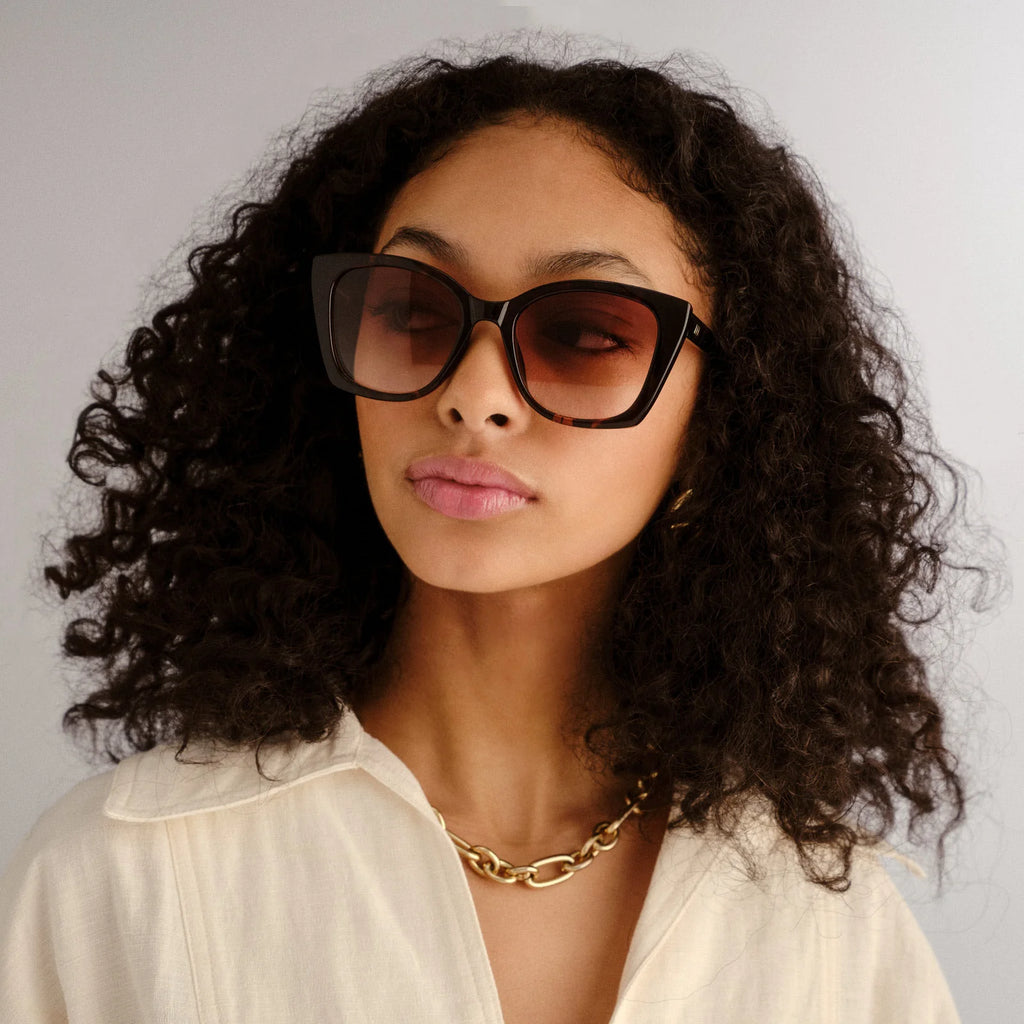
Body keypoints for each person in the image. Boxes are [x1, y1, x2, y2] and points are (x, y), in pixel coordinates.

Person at [0, 41, 983, 1023]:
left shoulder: (829, 925)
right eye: (410, 312)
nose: (474, 395)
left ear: (722, 422)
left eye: (585, 334)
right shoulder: (117, 882)